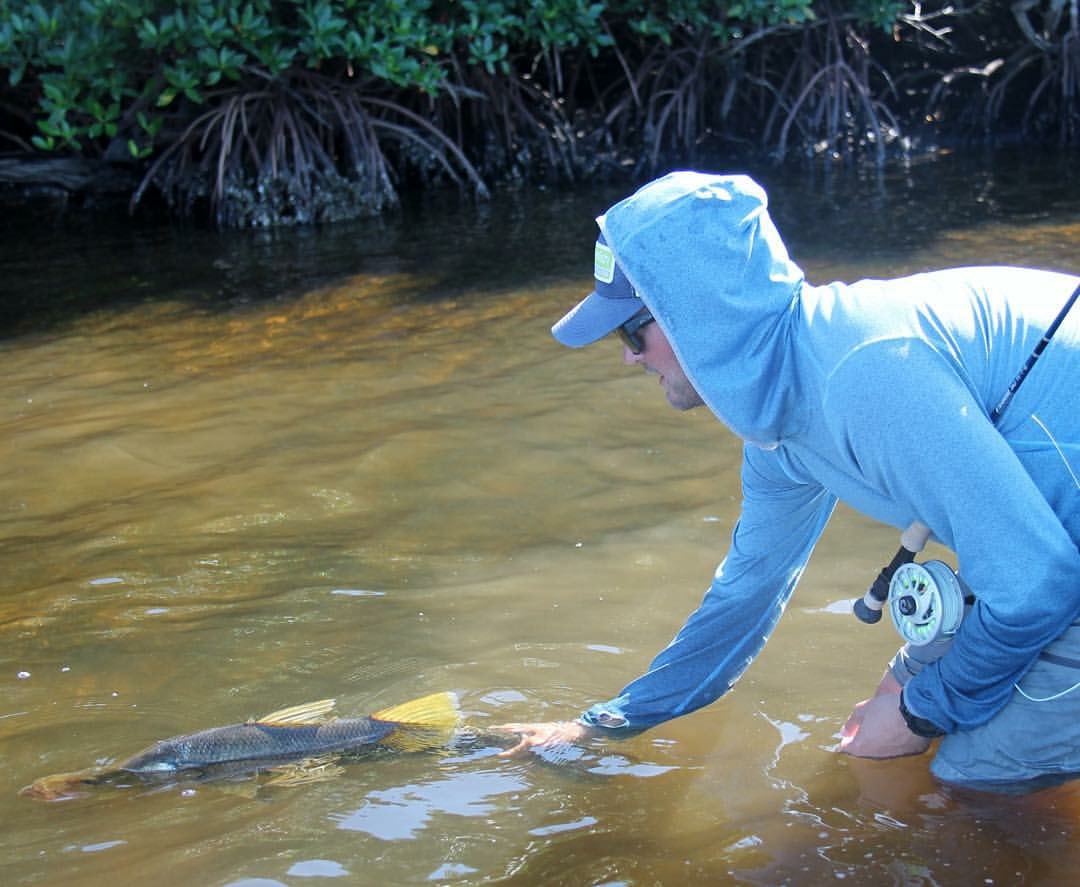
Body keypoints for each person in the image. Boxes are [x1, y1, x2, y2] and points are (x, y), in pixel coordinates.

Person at [495, 171, 1080, 793]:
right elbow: (744, 599)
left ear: (697, 315)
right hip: (1043, 551)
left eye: (630, 331)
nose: (628, 357)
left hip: (1046, 566)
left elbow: (1036, 585)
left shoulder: (864, 375)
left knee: (971, 775)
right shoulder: (780, 428)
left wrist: (919, 715)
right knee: (888, 714)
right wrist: (605, 725)